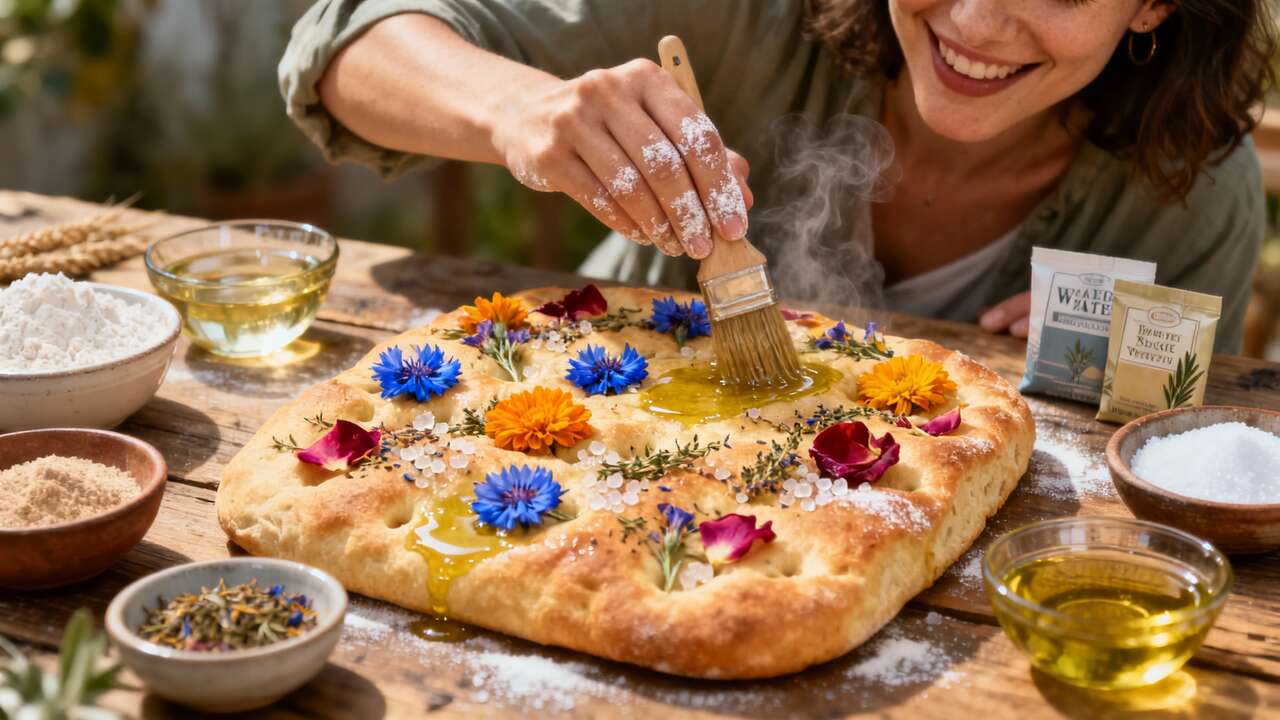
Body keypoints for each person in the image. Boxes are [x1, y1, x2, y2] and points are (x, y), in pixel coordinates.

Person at [279, 0, 1275, 352]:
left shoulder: (1191, 196)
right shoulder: (745, 16)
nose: (972, 24)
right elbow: (346, 47)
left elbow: (1177, 471)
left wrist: (1092, 381)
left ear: (1153, 5)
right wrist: (518, 109)